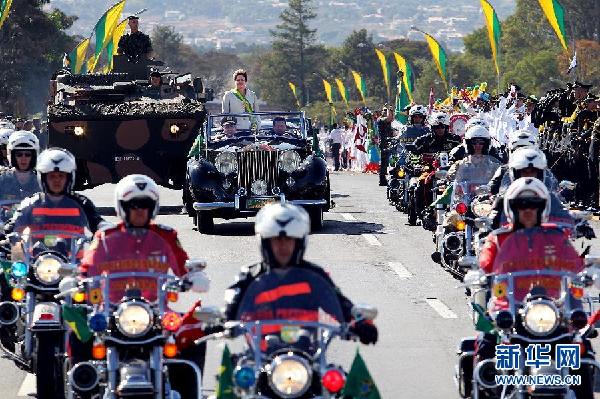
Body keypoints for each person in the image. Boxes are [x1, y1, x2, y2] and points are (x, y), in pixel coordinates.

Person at [78, 174, 207, 398]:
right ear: (122, 207)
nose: (140, 210)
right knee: (76, 330)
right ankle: (80, 390)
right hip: (113, 312)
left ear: (153, 207)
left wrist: (192, 277)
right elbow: (88, 266)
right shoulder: (106, 236)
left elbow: (183, 267)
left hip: (156, 313)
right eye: (133, 205)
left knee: (195, 333)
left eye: (145, 205)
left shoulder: (166, 235)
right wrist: (80, 281)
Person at [224, 203, 378, 345]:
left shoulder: (316, 277)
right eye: (276, 240)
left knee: (337, 375)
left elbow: (341, 304)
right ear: (265, 242)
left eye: (289, 239)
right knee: (234, 374)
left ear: (299, 243)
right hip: (259, 359)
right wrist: (220, 323)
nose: (282, 246)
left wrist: (361, 323)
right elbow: (229, 309)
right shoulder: (249, 277)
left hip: (307, 356)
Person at [6, 148, 106, 234]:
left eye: (61, 176)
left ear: (69, 177)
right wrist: (6, 232)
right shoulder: (30, 204)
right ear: (43, 178)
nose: (57, 180)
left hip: (75, 256)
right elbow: (13, 224)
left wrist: (107, 229)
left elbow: (99, 222)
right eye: (52, 176)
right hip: (37, 256)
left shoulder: (82, 203)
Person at [0, 131, 41, 202]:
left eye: (28, 154)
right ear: (11, 156)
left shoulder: (42, 182)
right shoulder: (2, 179)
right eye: (19, 154)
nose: (23, 158)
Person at [377, 106, 394, 186]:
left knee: (390, 161)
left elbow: (391, 119)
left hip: (389, 142)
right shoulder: (381, 119)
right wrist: (390, 110)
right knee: (384, 162)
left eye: (386, 110)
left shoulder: (387, 120)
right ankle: (382, 179)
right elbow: (389, 118)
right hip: (384, 143)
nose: (385, 111)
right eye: (384, 110)